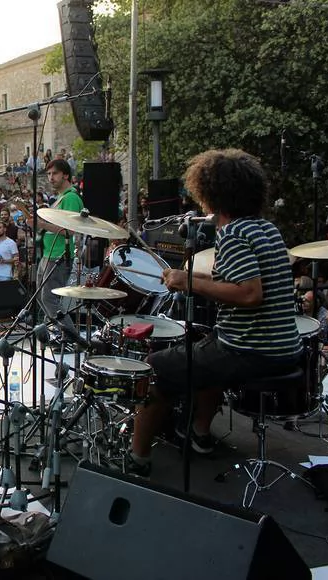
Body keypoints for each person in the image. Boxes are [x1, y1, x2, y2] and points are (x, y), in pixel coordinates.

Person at [128, 149, 301, 477]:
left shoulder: (234, 234)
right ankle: (200, 434)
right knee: (208, 346)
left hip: (251, 349)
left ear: (208, 192)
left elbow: (249, 294)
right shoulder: (265, 229)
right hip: (285, 347)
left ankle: (137, 459)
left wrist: (190, 282)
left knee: (155, 368)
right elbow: (233, 281)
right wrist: (186, 279)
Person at [37, 159, 83, 341]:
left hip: (58, 255)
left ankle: (72, 336)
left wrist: (41, 224)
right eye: (48, 174)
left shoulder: (71, 197)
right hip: (48, 254)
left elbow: (70, 231)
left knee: (49, 298)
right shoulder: (59, 199)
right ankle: (63, 332)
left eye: (54, 173)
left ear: (65, 175)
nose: (50, 178)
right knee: (42, 297)